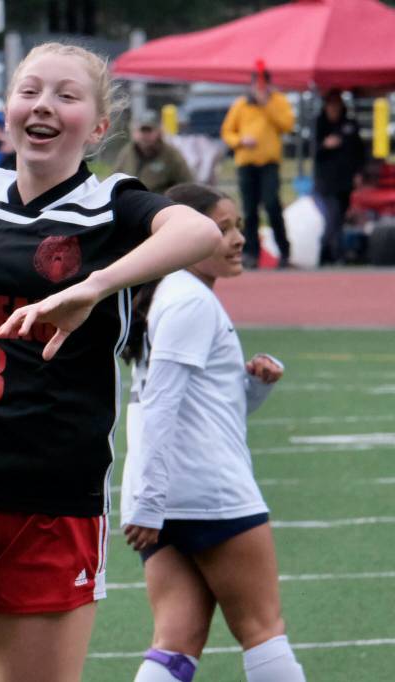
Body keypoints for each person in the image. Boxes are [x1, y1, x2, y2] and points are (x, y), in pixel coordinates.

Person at [0, 42, 221, 682]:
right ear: (8, 107)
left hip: (52, 492)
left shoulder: (112, 204)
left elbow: (200, 234)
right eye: (30, 91)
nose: (43, 105)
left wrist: (93, 286)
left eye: (66, 95)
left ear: (99, 127)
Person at [119, 183, 305, 682]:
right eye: (222, 228)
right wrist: (150, 501)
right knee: (264, 630)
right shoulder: (189, 301)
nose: (237, 238)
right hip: (209, 495)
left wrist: (251, 386)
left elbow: (194, 408)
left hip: (163, 497)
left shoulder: (167, 294)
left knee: (175, 642)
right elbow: (160, 405)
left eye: (239, 226)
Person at [221, 69, 294, 269]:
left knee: (272, 205)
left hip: (269, 162)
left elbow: (287, 125)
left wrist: (266, 105)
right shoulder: (241, 104)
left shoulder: (278, 101)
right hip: (247, 162)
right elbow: (227, 131)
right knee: (249, 210)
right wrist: (240, 141)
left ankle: (284, 252)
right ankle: (251, 253)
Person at [314, 90, 365, 265]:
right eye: (331, 104)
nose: (334, 108)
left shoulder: (349, 125)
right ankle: (334, 253)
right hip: (326, 182)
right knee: (332, 217)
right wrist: (325, 145)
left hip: (345, 181)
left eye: (337, 104)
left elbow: (359, 152)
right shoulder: (319, 125)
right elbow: (312, 152)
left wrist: (359, 172)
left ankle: (327, 254)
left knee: (340, 218)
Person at [113, 111, 193, 194]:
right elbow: (114, 180)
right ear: (135, 132)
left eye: (149, 131)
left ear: (159, 132)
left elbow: (187, 184)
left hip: (161, 204)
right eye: (142, 130)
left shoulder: (171, 155)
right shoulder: (127, 153)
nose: (145, 135)